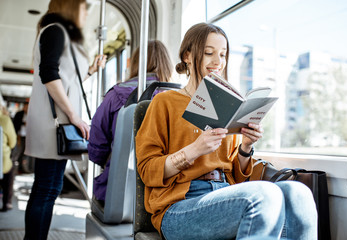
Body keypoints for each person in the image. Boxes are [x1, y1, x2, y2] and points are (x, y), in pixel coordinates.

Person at [135, 23, 318, 240]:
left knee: (300, 195)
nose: (218, 62)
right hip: (179, 206)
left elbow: (236, 175)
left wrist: (246, 147)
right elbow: (147, 170)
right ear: (187, 56)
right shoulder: (164, 102)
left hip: (225, 194)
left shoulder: (226, 106)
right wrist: (194, 150)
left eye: (223, 55)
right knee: (264, 195)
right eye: (209, 53)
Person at [23, 0, 106, 239]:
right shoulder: (56, 31)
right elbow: (50, 75)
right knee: (46, 189)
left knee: (47, 188)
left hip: (54, 123)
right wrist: (74, 116)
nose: (84, 13)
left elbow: (65, 79)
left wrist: (90, 70)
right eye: (81, 7)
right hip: (54, 124)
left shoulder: (55, 32)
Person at [88, 40, 173, 204]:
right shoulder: (179, 97)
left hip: (121, 192)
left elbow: (97, 144)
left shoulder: (116, 94)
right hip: (166, 191)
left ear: (135, 63)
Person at [0, 105, 17, 212]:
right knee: (8, 177)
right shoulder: (5, 120)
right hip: (2, 161)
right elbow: (12, 142)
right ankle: (7, 202)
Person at [12, 99, 34, 173]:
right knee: (18, 152)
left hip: (29, 137)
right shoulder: (19, 114)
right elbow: (15, 124)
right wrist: (23, 123)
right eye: (25, 107)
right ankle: (16, 168)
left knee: (27, 153)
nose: (26, 108)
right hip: (19, 136)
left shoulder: (32, 115)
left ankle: (26, 168)